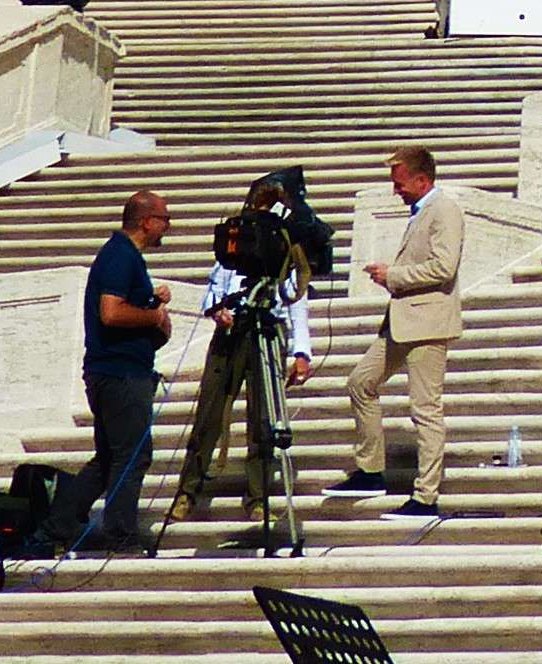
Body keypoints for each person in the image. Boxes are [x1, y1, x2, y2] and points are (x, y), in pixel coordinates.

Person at [168, 175, 316, 538]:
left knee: (264, 419)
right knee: (209, 414)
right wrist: (216, 309)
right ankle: (188, 490)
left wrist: (301, 351)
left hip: (268, 328)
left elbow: (297, 299)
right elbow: (211, 289)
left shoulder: (282, 244)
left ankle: (258, 495)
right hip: (230, 332)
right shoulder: (236, 240)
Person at [335, 144, 468, 516]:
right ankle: (370, 470)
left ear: (423, 179)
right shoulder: (423, 211)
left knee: (425, 409)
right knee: (361, 382)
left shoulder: (445, 210)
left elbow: (444, 268)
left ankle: (426, 495)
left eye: (401, 183)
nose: (397, 190)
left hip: (427, 323)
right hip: (402, 320)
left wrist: (393, 276)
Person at [76, 188, 176, 553]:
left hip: (116, 370)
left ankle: (59, 523)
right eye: (165, 219)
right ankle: (120, 535)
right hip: (120, 376)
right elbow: (112, 313)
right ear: (147, 221)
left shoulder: (125, 256)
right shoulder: (120, 255)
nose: (167, 227)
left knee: (108, 457)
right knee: (132, 455)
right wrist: (155, 316)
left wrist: (152, 306)